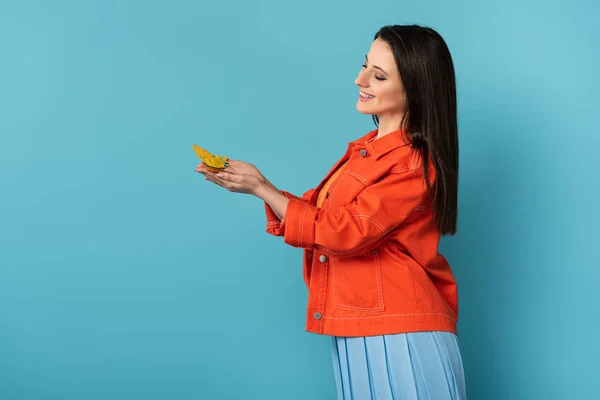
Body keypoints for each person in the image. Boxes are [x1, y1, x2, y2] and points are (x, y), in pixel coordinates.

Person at [196, 24, 466, 400]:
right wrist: (258, 184)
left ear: (416, 89)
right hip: (363, 324)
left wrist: (262, 189)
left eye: (379, 74)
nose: (361, 79)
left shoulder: (410, 164)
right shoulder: (367, 151)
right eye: (365, 65)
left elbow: (344, 232)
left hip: (399, 329)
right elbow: (322, 215)